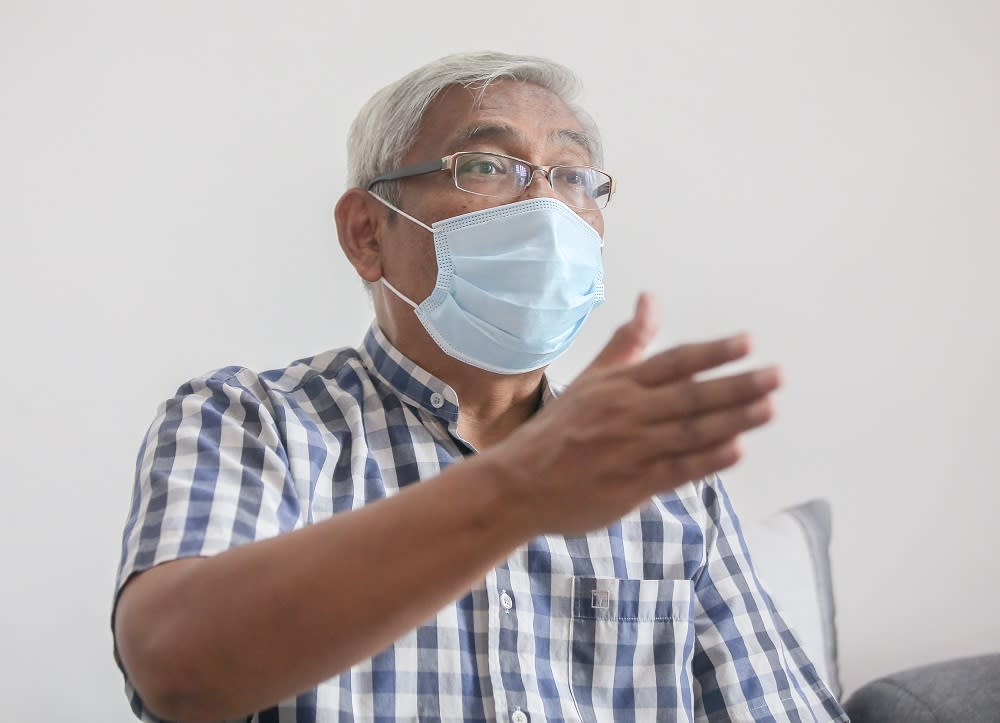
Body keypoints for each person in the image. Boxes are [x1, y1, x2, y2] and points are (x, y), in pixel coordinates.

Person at [112, 51, 848, 722]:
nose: (549, 207)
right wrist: (522, 485)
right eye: (489, 166)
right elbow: (178, 671)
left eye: (572, 175)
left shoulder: (651, 470)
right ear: (367, 233)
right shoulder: (249, 420)